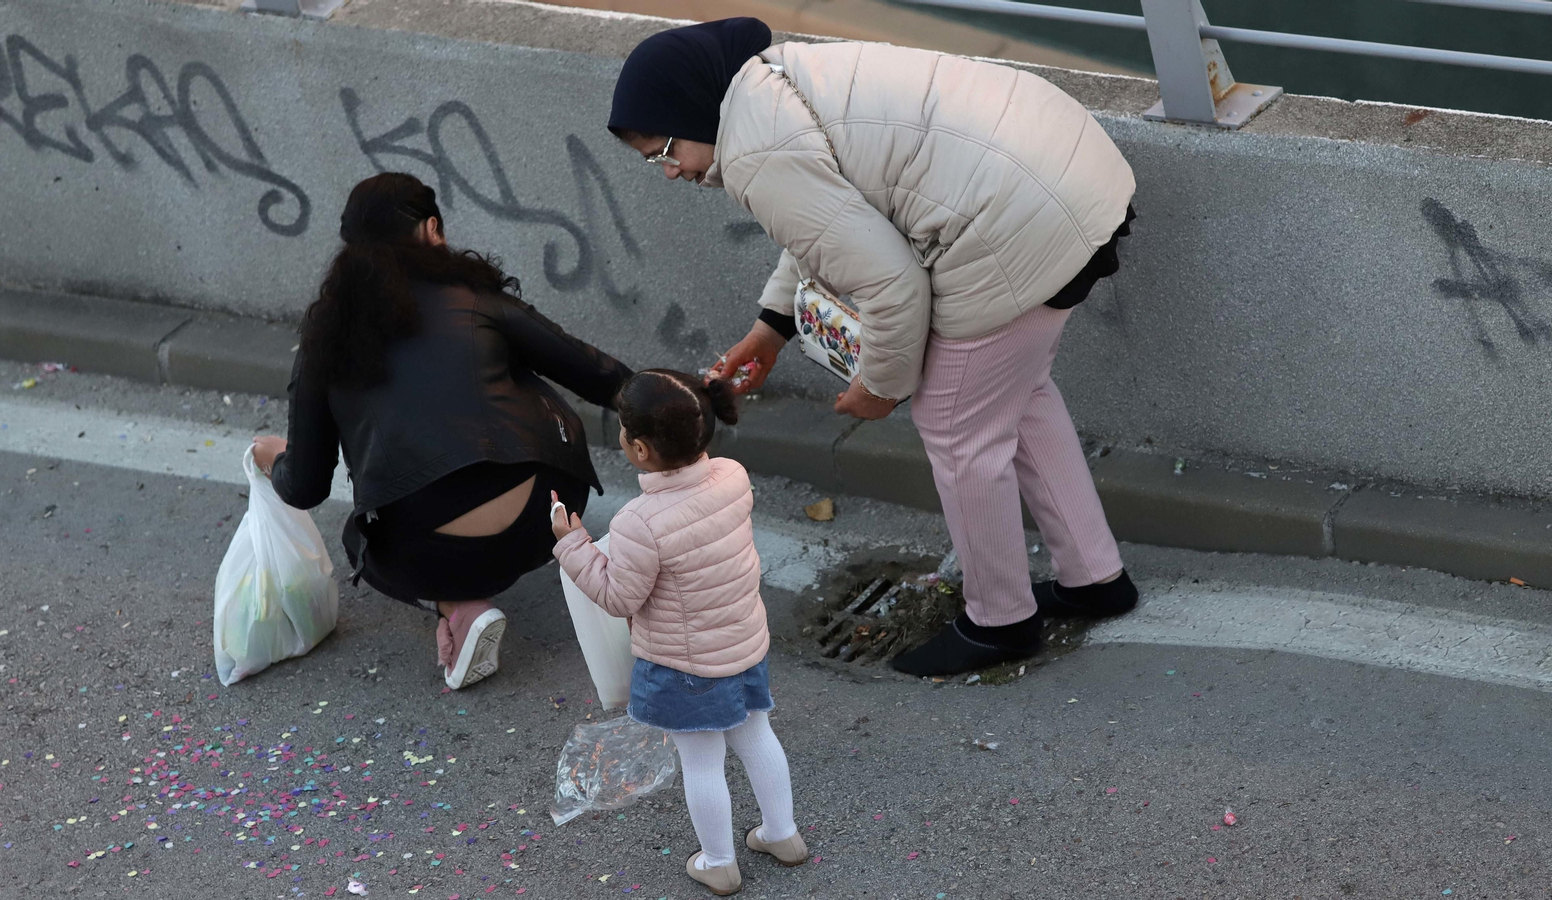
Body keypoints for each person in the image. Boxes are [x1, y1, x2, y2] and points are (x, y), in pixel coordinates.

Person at [606, 18, 1141, 678]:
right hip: (1064, 171)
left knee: (956, 424)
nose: (667, 173)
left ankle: (1001, 620)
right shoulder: (768, 84)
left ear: (688, 111)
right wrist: (773, 327)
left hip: (1015, 217)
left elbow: (891, 281)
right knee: (1016, 394)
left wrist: (880, 387)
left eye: (663, 152)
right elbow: (827, 223)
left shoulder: (752, 151)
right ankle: (1094, 579)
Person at [251, 173, 633, 690]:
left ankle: (458, 605)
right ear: (433, 229)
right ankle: (463, 603)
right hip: (549, 518)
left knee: (362, 541)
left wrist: (274, 457)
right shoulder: (474, 298)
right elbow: (598, 374)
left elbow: (307, 487)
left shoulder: (327, 336)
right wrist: (689, 411)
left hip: (424, 550)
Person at [551, 370, 803, 897]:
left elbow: (620, 598)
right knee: (757, 734)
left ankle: (719, 862)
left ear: (639, 448)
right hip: (742, 641)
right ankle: (782, 834)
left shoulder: (638, 521)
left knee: (702, 761)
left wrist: (574, 544)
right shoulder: (733, 475)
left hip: (688, 665)